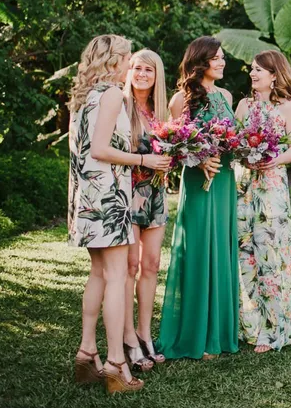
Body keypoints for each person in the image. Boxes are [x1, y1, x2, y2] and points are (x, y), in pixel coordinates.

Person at [68, 34, 170, 393]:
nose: (130, 64)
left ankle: (86, 353)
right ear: (113, 60)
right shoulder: (112, 94)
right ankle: (115, 364)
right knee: (114, 277)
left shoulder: (83, 96)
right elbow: (99, 149)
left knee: (98, 274)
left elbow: (79, 150)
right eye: (127, 58)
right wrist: (145, 159)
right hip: (109, 198)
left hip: (87, 197)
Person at [157, 36, 240, 360]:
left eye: (222, 58)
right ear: (201, 61)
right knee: (198, 250)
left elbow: (232, 137)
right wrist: (200, 158)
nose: (222, 63)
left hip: (224, 182)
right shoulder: (182, 99)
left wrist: (235, 149)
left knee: (220, 248)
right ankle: (195, 334)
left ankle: (218, 332)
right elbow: (172, 146)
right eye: (216, 58)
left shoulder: (227, 95)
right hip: (198, 182)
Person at [233, 50, 291, 352]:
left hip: (271, 185)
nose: (253, 74)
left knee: (271, 253)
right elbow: (233, 141)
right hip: (242, 184)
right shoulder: (243, 105)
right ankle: (248, 325)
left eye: (259, 70)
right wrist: (243, 154)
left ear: (274, 75)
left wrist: (270, 159)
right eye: (252, 69)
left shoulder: (288, 108)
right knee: (243, 252)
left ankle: (276, 328)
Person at [122, 49, 170, 371]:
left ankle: (144, 333)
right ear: (129, 70)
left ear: (157, 77)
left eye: (148, 70)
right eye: (137, 68)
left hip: (155, 193)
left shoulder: (161, 111)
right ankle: (126, 337)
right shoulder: (121, 106)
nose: (141, 74)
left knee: (151, 264)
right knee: (129, 264)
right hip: (126, 193)